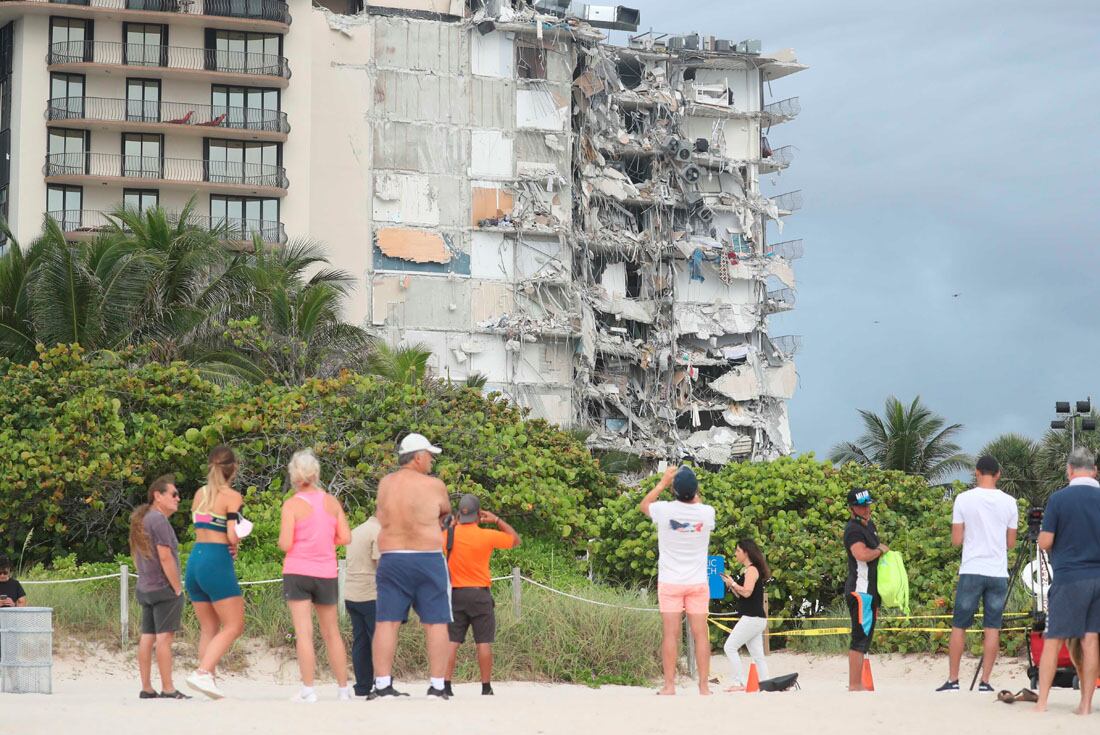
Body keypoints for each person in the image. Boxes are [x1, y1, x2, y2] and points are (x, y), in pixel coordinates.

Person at [370, 433, 453, 700]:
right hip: (427, 556)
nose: (431, 461)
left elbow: (382, 515)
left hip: (393, 556)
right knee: (436, 621)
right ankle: (437, 686)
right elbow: (446, 513)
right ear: (417, 457)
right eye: (429, 456)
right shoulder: (435, 485)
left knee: (387, 621)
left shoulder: (385, 484)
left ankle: (382, 684)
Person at [936, 455, 1018, 693]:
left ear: (976, 472)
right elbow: (1011, 543)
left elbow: (956, 540)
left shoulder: (963, 499)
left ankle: (953, 680)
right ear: (998, 474)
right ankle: (985, 681)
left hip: (971, 568)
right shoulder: (1010, 502)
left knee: (959, 625)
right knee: (992, 626)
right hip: (997, 571)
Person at [279, 449, 353, 703]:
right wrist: (325, 540)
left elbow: (286, 543)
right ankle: (343, 689)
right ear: (316, 474)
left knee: (304, 632)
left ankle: (308, 689)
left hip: (298, 570)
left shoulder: (291, 505)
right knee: (332, 632)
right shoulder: (332, 502)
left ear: (294, 476)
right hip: (326, 571)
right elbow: (346, 537)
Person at [639, 465, 716, 696]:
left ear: (673, 490)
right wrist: (689, 489)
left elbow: (644, 505)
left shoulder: (664, 510)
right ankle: (704, 687)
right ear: (695, 490)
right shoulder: (707, 512)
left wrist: (663, 483)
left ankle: (669, 686)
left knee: (670, 635)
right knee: (701, 633)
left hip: (671, 581)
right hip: (697, 582)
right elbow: (698, 502)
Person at [1035, 447, 1100, 715]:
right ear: (1095, 470)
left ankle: (1042, 703)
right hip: (1098, 577)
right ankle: (1086, 705)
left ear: (1069, 470)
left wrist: (1041, 539)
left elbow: (1047, 541)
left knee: (1054, 638)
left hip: (1070, 577)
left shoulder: (1059, 499)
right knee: (1090, 638)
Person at [442, 494, 521, 697]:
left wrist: (452, 524)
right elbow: (515, 540)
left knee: (452, 641)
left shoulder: (448, 536)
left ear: (459, 513)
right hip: (479, 594)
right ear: (479, 515)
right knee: (483, 642)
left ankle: (446, 684)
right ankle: (486, 687)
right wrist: (496, 520)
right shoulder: (486, 535)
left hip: (456, 594)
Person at [184, 445, 246, 699]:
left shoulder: (199, 494)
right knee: (234, 625)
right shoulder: (232, 496)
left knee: (209, 626)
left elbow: (205, 524)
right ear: (234, 468)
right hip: (215, 560)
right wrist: (238, 541)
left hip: (195, 560)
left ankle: (207, 678)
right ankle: (203, 672)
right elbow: (231, 533)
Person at [130, 474, 189, 699]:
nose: (178, 498)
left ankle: (146, 687)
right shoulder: (159, 520)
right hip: (163, 588)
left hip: (145, 587)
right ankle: (168, 687)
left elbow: (137, 556)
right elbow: (166, 557)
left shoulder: (142, 520)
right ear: (158, 495)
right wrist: (177, 587)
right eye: (173, 494)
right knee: (164, 638)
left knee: (148, 636)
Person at [844, 486, 887, 692]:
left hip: (871, 591)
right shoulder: (853, 529)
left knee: (866, 637)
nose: (866, 509)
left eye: (868, 505)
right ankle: (854, 685)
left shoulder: (870, 526)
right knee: (859, 637)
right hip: (860, 590)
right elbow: (860, 554)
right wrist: (879, 550)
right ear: (852, 508)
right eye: (861, 507)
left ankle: (858, 683)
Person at [720, 539, 770, 691]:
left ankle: (739, 682)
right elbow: (743, 595)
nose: (735, 554)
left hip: (752, 618)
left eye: (737, 551)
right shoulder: (751, 570)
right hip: (756, 618)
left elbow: (747, 592)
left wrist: (734, 584)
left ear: (745, 552)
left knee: (729, 647)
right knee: (757, 655)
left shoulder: (751, 570)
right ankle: (765, 682)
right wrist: (732, 585)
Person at [344, 512, 382, 698]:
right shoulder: (378, 532)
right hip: (370, 593)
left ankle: (362, 685)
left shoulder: (356, 531)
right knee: (379, 640)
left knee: (360, 640)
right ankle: (380, 683)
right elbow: (380, 563)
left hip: (351, 592)